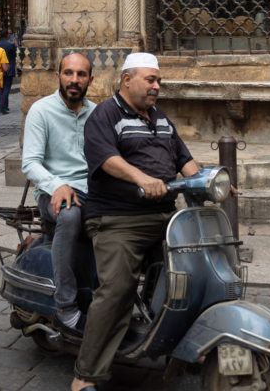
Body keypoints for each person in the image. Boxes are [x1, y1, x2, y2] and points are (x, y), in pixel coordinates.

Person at [72, 53, 198, 391]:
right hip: (117, 218)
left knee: (197, 270)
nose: (157, 86)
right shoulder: (105, 114)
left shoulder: (161, 118)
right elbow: (107, 159)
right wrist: (141, 179)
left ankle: (191, 342)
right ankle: (86, 375)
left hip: (162, 215)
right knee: (117, 288)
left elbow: (185, 161)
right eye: (150, 80)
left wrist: (210, 180)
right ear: (127, 80)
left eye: (158, 81)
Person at [21, 52, 95, 336]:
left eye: (81, 74)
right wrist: (57, 185)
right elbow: (30, 163)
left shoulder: (96, 112)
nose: (74, 80)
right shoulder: (41, 110)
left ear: (90, 79)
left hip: (91, 191)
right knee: (70, 214)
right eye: (68, 73)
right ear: (58, 77)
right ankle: (66, 307)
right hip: (53, 193)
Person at [0, 28, 17, 115]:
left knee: (1, 88)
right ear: (7, 35)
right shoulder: (10, 45)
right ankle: (3, 106)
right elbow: (14, 56)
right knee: (6, 89)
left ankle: (5, 105)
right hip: (8, 68)